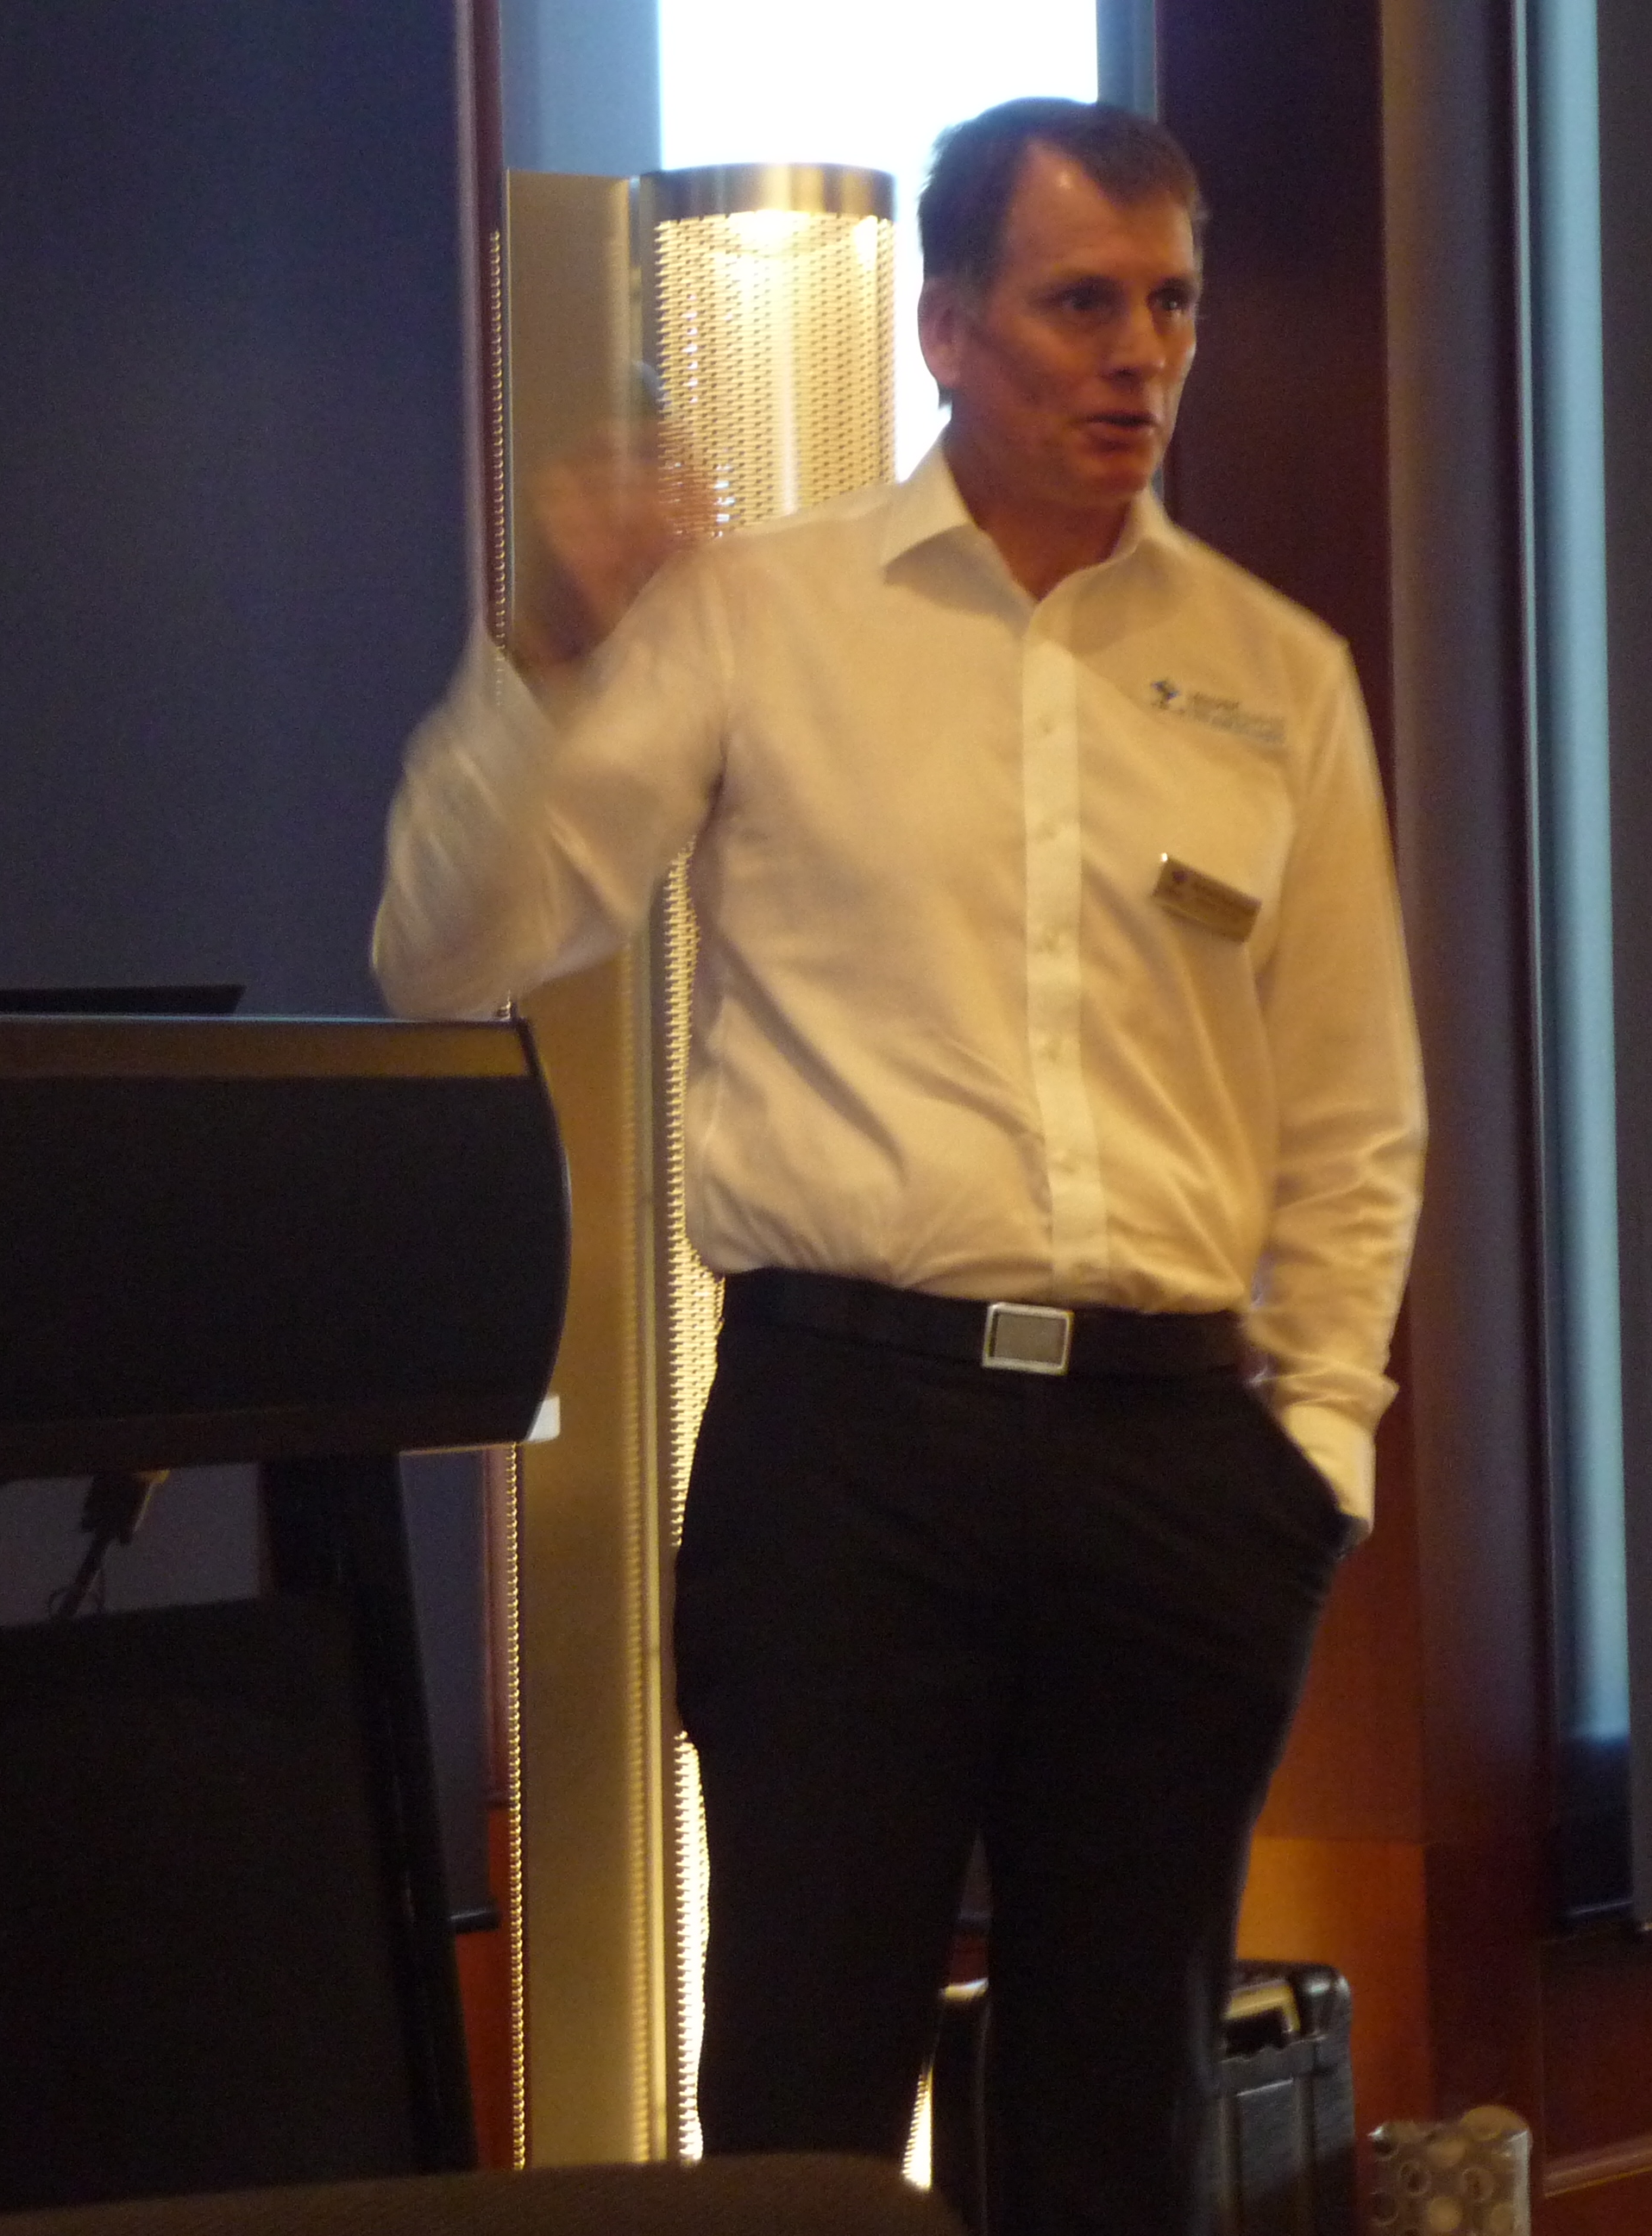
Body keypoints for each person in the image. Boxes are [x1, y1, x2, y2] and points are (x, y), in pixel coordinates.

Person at [374, 97, 1423, 2236]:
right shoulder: (758, 616)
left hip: (1175, 1468)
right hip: (846, 1448)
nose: (1140, 354)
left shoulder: (1274, 675)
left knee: (1122, 2120)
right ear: (946, 329)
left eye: (1173, 305)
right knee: (797, 2099)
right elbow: (447, 948)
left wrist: (1310, 1455)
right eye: (1080, 303)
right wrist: (550, 644)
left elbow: (1351, 1114)